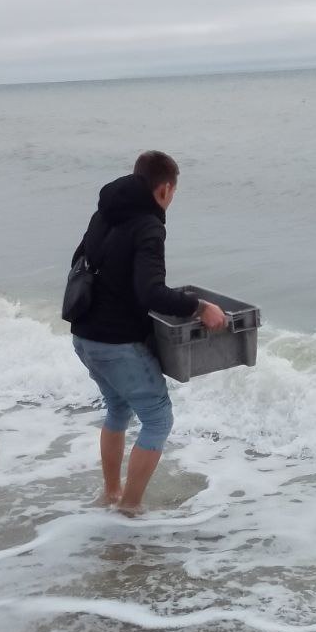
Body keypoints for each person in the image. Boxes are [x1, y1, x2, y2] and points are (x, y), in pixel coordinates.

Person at [69, 151, 226, 515]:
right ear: (165, 189)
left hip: (84, 336)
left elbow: (83, 265)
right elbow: (151, 292)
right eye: (173, 193)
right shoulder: (149, 226)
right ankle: (129, 507)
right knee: (158, 419)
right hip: (116, 343)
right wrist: (201, 307)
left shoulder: (104, 213)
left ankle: (111, 493)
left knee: (118, 408)